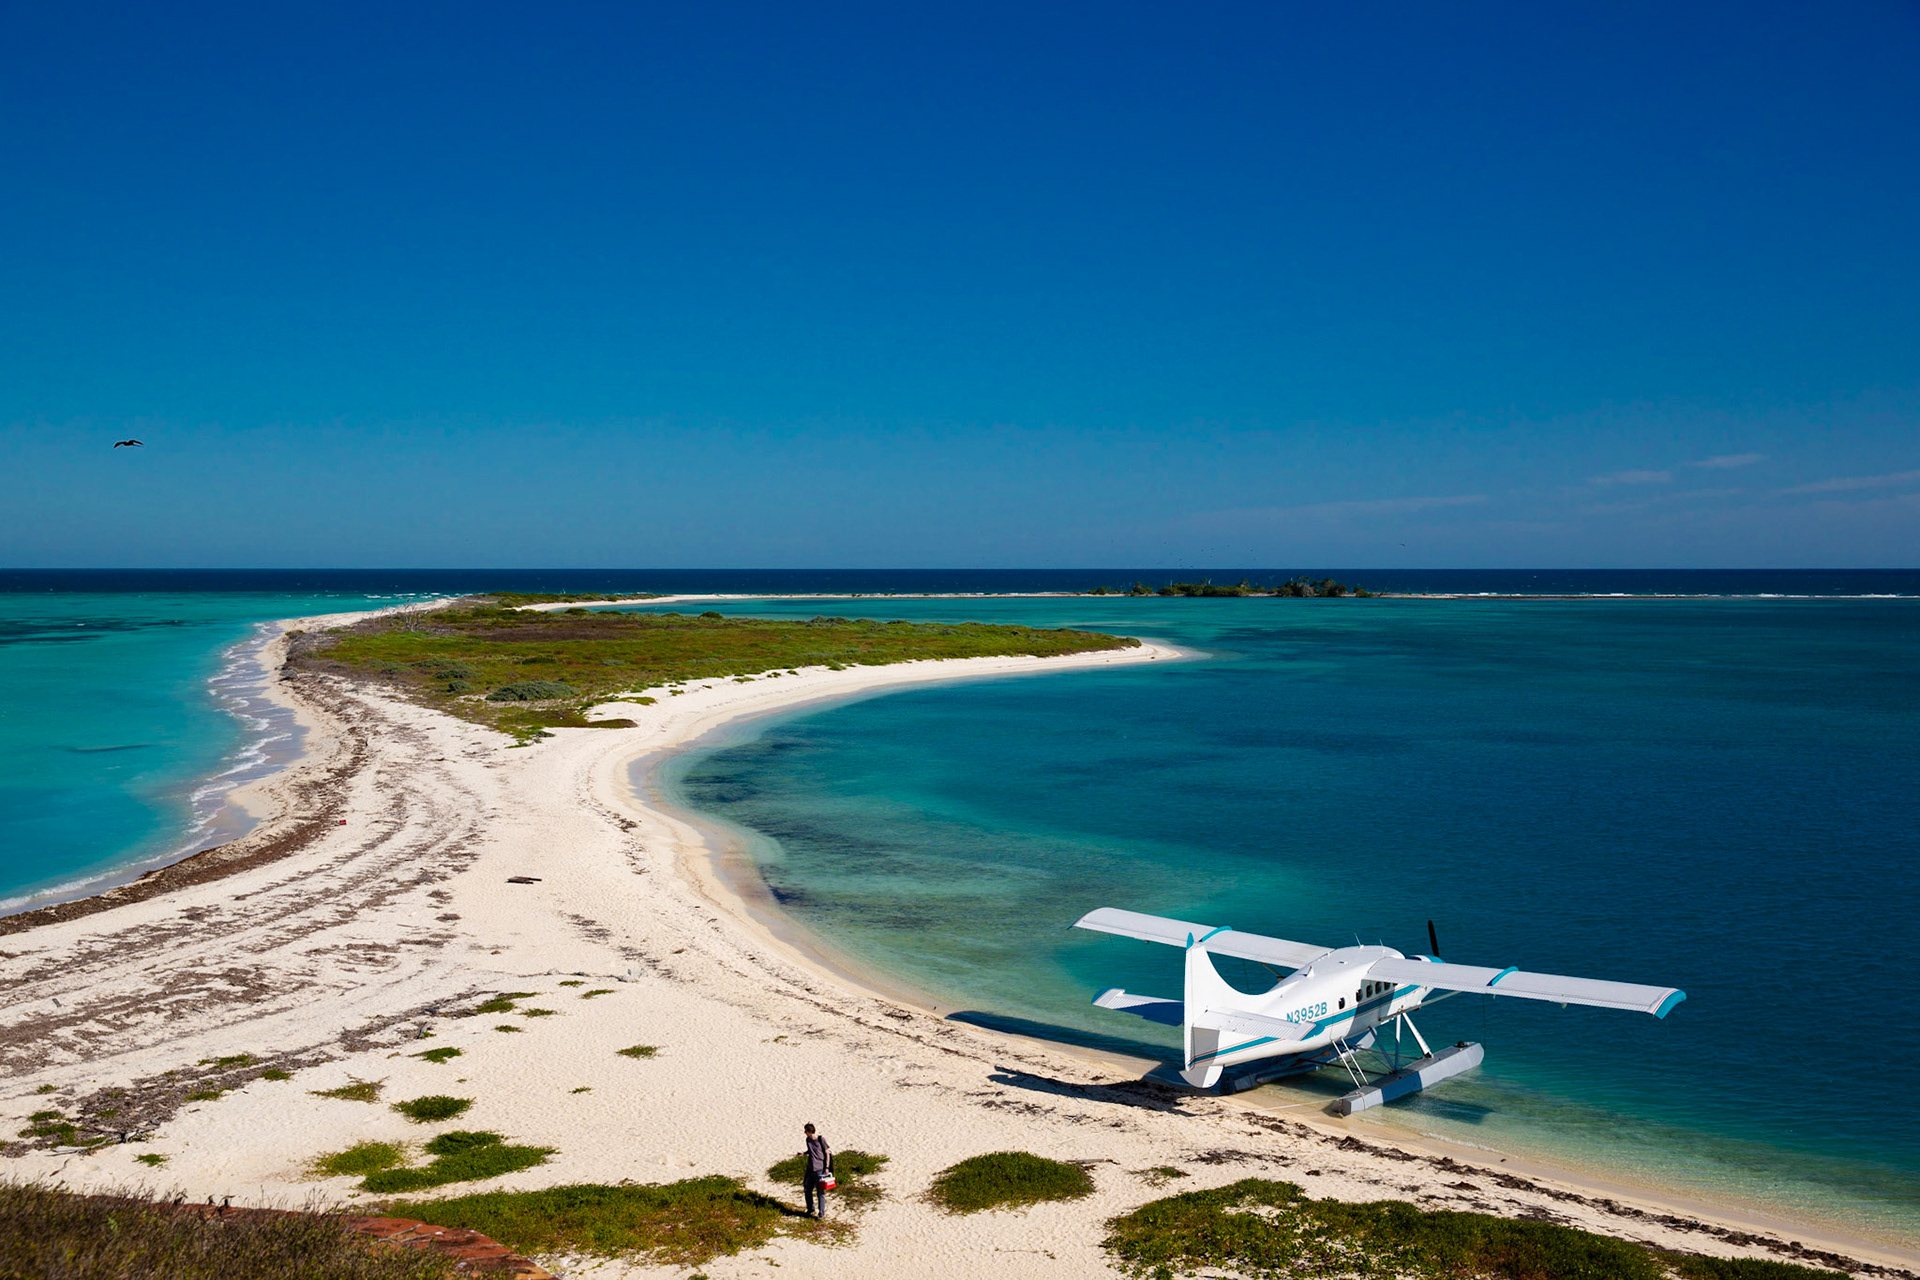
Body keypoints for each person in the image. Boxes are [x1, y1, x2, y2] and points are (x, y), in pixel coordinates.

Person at [802, 1122, 832, 1218]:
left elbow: (827, 1153)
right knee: (807, 1189)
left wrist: (826, 1168)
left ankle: (821, 1213)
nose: (804, 1133)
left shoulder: (821, 1139)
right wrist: (803, 1153)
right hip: (810, 1168)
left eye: (806, 1131)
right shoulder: (808, 1140)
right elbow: (810, 1151)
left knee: (820, 1192)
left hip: (820, 1169)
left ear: (809, 1131)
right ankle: (810, 1209)